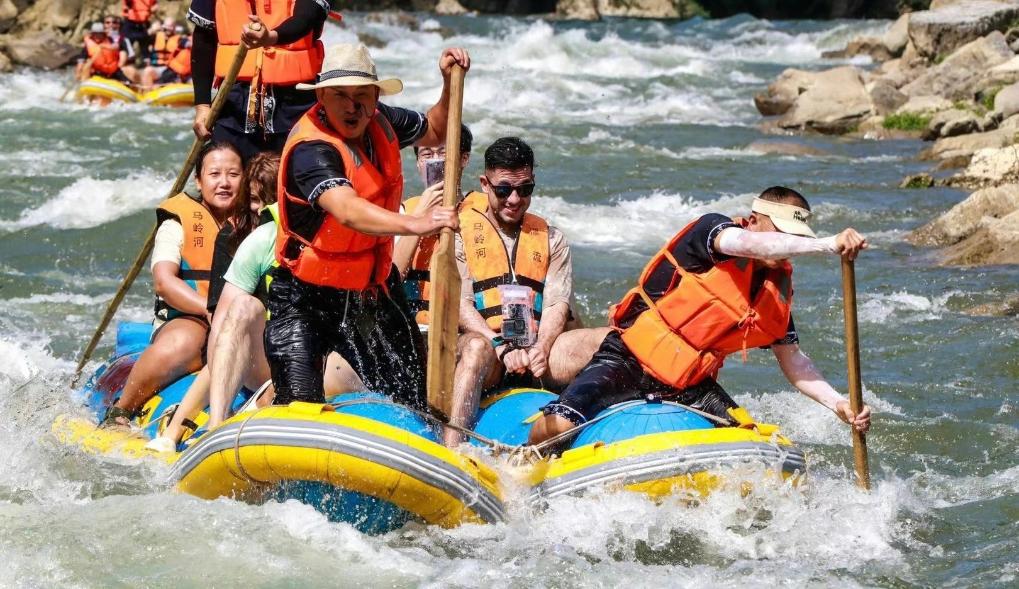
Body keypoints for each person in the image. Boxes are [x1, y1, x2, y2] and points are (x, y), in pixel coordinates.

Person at [528, 186, 873, 446]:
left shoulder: (774, 289)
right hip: (628, 360)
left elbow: (794, 360)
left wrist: (838, 404)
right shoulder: (714, 232)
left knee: (752, 448)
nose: (786, 243)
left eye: (793, 236)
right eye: (779, 231)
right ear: (753, 221)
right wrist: (828, 244)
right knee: (559, 425)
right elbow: (753, 246)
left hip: (690, 385)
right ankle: (521, 461)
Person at [263, 43, 470, 410]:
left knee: (412, 396)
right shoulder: (312, 149)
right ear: (322, 97)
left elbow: (437, 129)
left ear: (375, 97)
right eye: (340, 95)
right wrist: (417, 223)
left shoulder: (383, 121)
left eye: (361, 95)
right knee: (300, 405)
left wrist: (448, 84)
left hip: (371, 289)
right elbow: (346, 210)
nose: (351, 105)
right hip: (305, 297)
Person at [146, 153, 361, 451]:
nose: (259, 209)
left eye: (266, 200)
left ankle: (259, 411)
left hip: (318, 356)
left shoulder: (349, 240)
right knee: (237, 321)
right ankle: (181, 429)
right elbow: (220, 320)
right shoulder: (250, 240)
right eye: (254, 200)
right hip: (264, 349)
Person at [445, 137, 611, 446]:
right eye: (504, 189)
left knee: (609, 340)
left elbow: (556, 304)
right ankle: (452, 447)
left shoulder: (552, 239)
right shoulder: (458, 235)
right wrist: (500, 347)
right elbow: (460, 304)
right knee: (474, 349)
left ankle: (621, 425)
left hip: (538, 354)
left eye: (525, 190)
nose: (514, 199)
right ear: (485, 183)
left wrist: (542, 348)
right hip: (489, 354)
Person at [102, 142, 244, 427]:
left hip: (244, 319)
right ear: (199, 181)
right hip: (189, 316)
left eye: (234, 174)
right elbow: (164, 282)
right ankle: (120, 411)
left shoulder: (257, 220)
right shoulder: (177, 223)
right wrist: (210, 310)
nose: (224, 183)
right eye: (215, 174)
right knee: (184, 342)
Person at [187, 0, 330, 160]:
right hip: (233, 106)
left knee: (294, 175)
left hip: (297, 104)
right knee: (227, 177)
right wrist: (202, 106)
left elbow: (305, 18)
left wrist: (271, 37)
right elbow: (203, 40)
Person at [393, 124, 487, 326]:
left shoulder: (487, 211)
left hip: (469, 328)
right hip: (415, 326)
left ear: (464, 159)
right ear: (418, 162)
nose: (435, 161)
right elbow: (390, 279)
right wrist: (419, 217)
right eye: (427, 154)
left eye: (443, 153)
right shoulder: (403, 212)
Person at [140, 20, 191, 89]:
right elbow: (143, 38)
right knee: (147, 71)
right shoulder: (155, 36)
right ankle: (147, 94)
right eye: (166, 27)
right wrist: (152, 29)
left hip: (169, 69)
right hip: (155, 67)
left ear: (174, 28)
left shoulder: (179, 39)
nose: (168, 29)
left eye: (170, 27)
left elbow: (187, 43)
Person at [122, 0, 156, 66]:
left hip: (144, 22)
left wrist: (152, 13)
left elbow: (154, 6)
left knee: (146, 48)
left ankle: (147, 64)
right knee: (127, 43)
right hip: (131, 21)